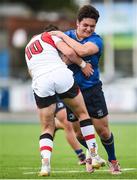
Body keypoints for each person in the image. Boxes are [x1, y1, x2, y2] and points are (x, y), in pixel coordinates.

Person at [49, 5, 122, 175]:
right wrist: (78, 62)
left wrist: (61, 37)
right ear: (77, 23)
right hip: (71, 92)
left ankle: (112, 160)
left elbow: (80, 50)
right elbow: (61, 60)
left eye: (92, 26)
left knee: (103, 132)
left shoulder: (96, 40)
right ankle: (93, 152)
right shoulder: (67, 36)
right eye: (85, 25)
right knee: (79, 134)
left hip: (92, 91)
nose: (89, 29)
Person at [25, 24, 98, 176]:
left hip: (40, 81)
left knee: (46, 127)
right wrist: (83, 64)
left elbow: (31, 71)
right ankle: (94, 156)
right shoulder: (52, 36)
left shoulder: (28, 46)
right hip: (59, 74)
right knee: (83, 114)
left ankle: (45, 165)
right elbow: (70, 53)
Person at [54, 99, 86, 165]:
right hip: (55, 96)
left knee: (76, 128)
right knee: (67, 124)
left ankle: (56, 125)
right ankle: (81, 155)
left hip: (68, 94)